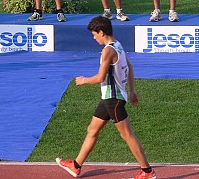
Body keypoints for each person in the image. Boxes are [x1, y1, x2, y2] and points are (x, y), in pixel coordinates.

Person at [55, 16, 156, 179]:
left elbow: (100, 77)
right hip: (109, 98)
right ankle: (76, 165)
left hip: (113, 100)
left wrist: (83, 80)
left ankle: (147, 172)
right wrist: (132, 91)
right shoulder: (118, 45)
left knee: (128, 135)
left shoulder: (108, 50)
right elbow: (129, 66)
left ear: (101, 32)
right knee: (92, 130)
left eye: (95, 34)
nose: (94, 38)